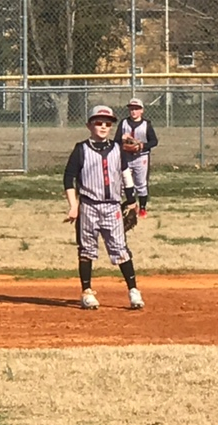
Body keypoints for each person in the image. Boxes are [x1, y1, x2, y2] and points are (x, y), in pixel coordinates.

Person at [63, 105, 145, 310]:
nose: (102, 126)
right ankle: (87, 292)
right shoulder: (81, 149)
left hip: (112, 207)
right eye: (98, 122)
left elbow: (125, 173)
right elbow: (68, 178)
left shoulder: (118, 148)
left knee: (120, 248)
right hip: (89, 205)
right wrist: (73, 206)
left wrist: (132, 199)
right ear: (89, 125)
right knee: (87, 249)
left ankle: (133, 290)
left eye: (107, 124)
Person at [114, 98, 159, 219]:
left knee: (140, 183)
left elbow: (154, 141)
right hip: (126, 157)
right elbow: (115, 141)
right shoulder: (123, 123)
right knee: (123, 183)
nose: (133, 111)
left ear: (142, 110)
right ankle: (129, 205)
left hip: (141, 157)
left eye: (136, 109)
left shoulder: (146, 124)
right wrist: (123, 141)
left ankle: (143, 208)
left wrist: (142, 146)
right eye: (131, 109)